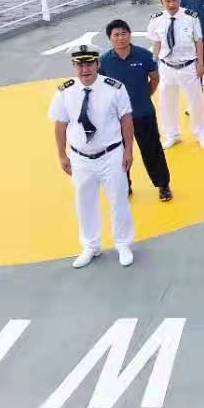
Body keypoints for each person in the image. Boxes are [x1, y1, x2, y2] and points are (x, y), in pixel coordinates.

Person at [48, 44, 136, 268]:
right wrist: (62, 155)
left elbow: (126, 120)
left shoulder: (115, 88)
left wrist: (128, 151)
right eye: (79, 65)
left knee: (119, 199)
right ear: (74, 66)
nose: (84, 69)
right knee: (84, 202)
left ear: (97, 64)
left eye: (89, 64)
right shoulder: (65, 91)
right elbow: (60, 125)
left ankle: (122, 243)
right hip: (80, 158)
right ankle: (91, 245)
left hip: (111, 154)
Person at [99, 19, 172, 202]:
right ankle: (125, 185)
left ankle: (163, 185)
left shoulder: (144, 56)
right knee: (118, 154)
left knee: (152, 150)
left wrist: (144, 96)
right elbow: (101, 89)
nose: (120, 38)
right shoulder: (104, 62)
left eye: (124, 33)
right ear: (110, 38)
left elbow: (154, 79)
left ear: (130, 35)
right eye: (116, 35)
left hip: (143, 113)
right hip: (116, 119)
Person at [148, 0, 204, 150]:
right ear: (162, 2)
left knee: (195, 101)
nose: (171, 4)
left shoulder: (191, 17)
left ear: (179, 0)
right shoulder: (156, 20)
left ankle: (201, 133)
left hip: (188, 66)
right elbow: (156, 42)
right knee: (166, 103)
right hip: (166, 67)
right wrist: (154, 63)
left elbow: (198, 41)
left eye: (174, 0)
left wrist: (200, 64)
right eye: (167, 0)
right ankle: (172, 135)